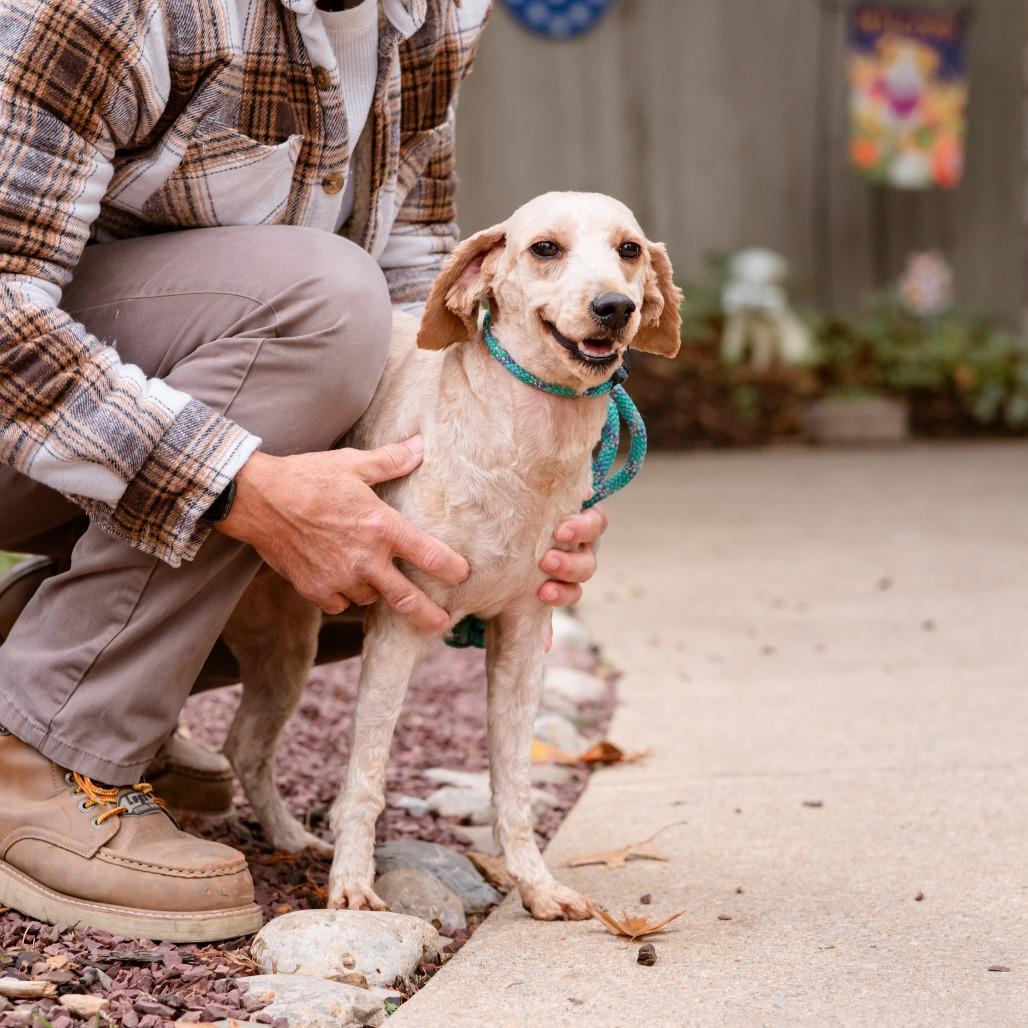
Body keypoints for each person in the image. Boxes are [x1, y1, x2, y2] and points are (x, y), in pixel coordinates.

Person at [0, 0, 606, 941]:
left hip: (109, 412)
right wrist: (240, 487)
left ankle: (44, 658)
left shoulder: (435, 16)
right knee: (326, 305)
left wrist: (500, 488)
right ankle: (43, 753)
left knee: (381, 548)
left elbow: (416, 284)